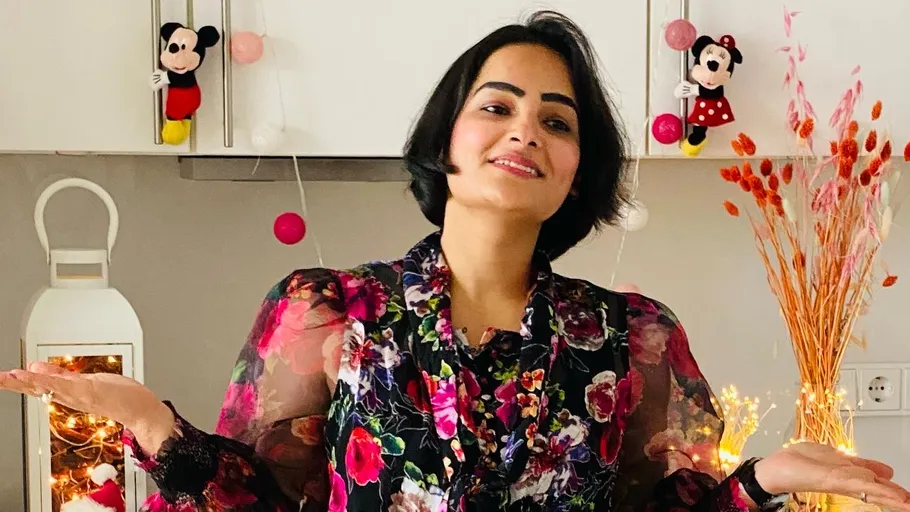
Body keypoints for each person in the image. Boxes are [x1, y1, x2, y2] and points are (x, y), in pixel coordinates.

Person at [2, 10, 910, 512]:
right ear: (446, 142)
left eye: (558, 122)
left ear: (573, 176)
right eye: (499, 106)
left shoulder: (633, 336)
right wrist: (152, 422)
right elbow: (261, 507)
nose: (527, 130)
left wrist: (767, 480)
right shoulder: (327, 310)